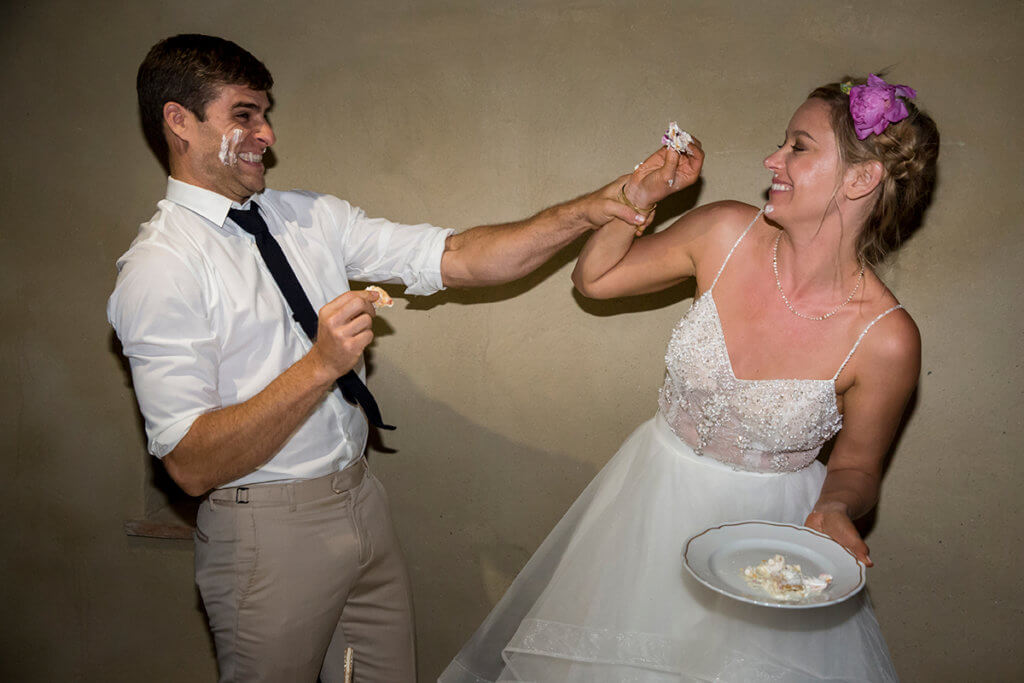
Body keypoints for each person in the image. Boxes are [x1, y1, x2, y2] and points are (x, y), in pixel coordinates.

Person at [108, 34, 660, 683]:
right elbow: (190, 464)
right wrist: (320, 364)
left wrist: (592, 208)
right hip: (265, 535)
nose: (267, 133)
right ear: (179, 120)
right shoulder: (159, 269)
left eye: (265, 113)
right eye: (245, 114)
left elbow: (458, 257)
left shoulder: (308, 217)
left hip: (361, 499)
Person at [440, 75, 939, 682]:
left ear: (861, 179)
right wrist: (639, 195)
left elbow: (858, 467)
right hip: (648, 509)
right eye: (782, 144)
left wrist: (835, 506)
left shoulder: (886, 337)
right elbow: (595, 279)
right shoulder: (725, 232)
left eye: (798, 148)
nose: (772, 160)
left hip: (768, 542)